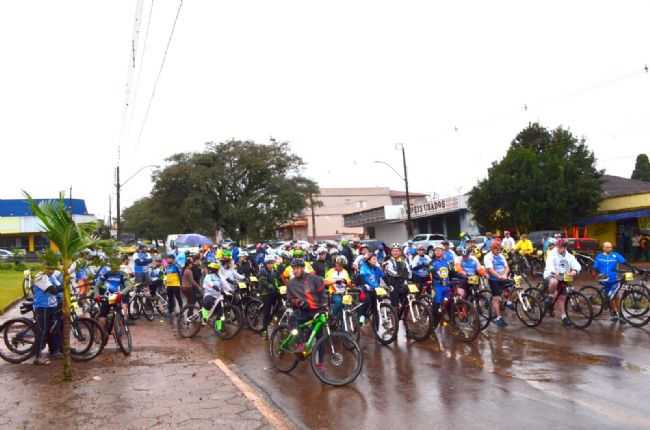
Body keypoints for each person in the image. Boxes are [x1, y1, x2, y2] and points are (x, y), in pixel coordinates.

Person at [287, 258, 328, 351]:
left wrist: (325, 306)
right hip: (302, 311)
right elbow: (289, 299)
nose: (295, 271)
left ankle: (320, 363)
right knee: (292, 319)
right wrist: (297, 302)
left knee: (320, 337)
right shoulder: (290, 283)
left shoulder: (314, 279)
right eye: (293, 268)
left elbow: (322, 293)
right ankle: (300, 342)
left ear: (303, 268)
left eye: (297, 268)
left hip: (316, 310)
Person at [543, 240, 582, 327]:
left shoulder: (569, 256)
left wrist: (574, 271)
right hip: (551, 275)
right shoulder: (552, 254)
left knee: (562, 297)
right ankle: (550, 296)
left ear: (565, 248)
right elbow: (549, 265)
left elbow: (577, 265)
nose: (558, 248)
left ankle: (564, 317)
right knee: (554, 281)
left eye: (561, 247)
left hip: (564, 277)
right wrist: (554, 272)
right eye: (558, 247)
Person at [32, 261, 62, 365]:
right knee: (42, 331)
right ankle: (37, 357)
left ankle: (54, 351)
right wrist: (64, 285)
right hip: (42, 307)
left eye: (52, 268)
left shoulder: (52, 276)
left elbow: (60, 286)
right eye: (48, 268)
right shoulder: (40, 277)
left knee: (53, 329)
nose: (51, 270)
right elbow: (54, 290)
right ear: (43, 267)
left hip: (52, 306)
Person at [593, 241, 627, 323]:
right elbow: (595, 267)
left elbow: (625, 262)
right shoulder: (599, 256)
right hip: (604, 279)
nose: (609, 249)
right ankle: (614, 313)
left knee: (615, 295)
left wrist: (631, 269)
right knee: (610, 297)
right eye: (607, 247)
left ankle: (619, 314)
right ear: (603, 248)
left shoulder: (615, 255)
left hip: (614, 279)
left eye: (610, 247)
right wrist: (595, 275)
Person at [484, 241, 510, 327]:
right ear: (492, 249)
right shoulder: (487, 257)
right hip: (493, 279)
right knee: (496, 298)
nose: (498, 251)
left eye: (499, 249)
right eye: (496, 249)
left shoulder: (501, 256)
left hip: (502, 277)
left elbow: (507, 267)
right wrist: (499, 276)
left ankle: (506, 302)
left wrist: (505, 274)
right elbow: (490, 270)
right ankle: (498, 317)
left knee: (508, 291)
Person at [358, 254, 385, 325]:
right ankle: (362, 316)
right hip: (365, 288)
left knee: (375, 306)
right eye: (373, 259)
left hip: (375, 288)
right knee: (367, 301)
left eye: (376, 259)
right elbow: (362, 278)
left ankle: (376, 325)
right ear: (369, 260)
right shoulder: (364, 267)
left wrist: (390, 285)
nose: (375, 261)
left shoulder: (376, 268)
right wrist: (366, 285)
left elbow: (384, 276)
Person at [258, 255, 281, 335]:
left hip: (273, 291)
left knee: (279, 305)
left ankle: (273, 319)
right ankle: (264, 328)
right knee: (266, 311)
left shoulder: (274, 271)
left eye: (272, 263)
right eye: (269, 263)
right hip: (265, 292)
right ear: (266, 264)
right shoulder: (262, 271)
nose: (271, 265)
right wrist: (270, 286)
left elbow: (276, 280)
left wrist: (280, 286)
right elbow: (263, 281)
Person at [200, 262, 226, 329]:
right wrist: (214, 286)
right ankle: (204, 318)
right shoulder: (208, 276)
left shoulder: (219, 277)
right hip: (209, 294)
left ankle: (219, 328)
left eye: (212, 269)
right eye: (210, 269)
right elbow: (209, 283)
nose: (210, 270)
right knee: (208, 301)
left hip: (217, 297)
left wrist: (227, 291)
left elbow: (223, 285)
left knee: (220, 312)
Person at [430, 245, 452, 316]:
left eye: (439, 250)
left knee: (448, 303)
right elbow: (433, 272)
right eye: (436, 250)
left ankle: (450, 319)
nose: (437, 252)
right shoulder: (432, 262)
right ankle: (434, 322)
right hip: (437, 286)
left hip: (447, 286)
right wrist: (440, 279)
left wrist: (462, 276)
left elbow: (453, 272)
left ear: (443, 251)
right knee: (436, 304)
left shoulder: (447, 262)